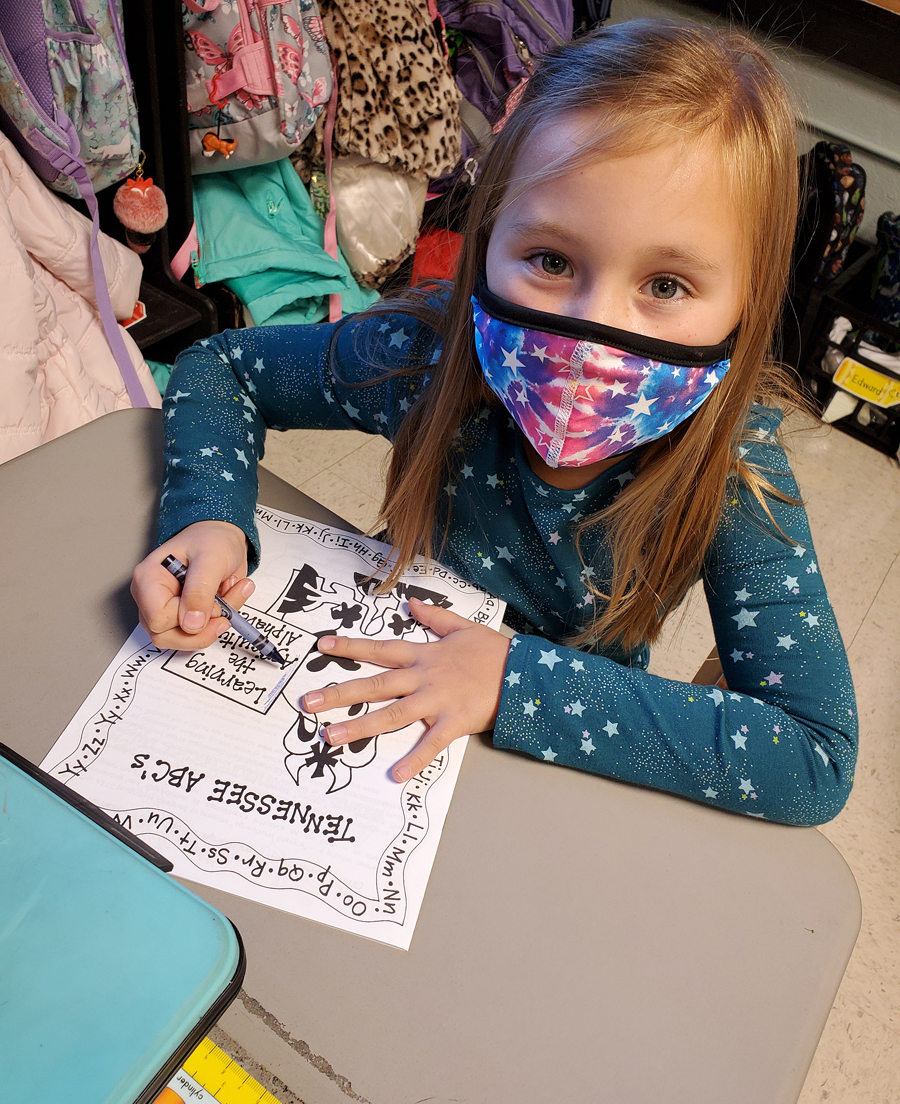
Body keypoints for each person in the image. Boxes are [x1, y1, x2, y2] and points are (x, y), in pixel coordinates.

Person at [132, 18, 857, 825]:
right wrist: (210, 514)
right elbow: (220, 369)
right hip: (378, 711)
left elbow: (815, 756)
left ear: (746, 302)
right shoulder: (427, 351)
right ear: (485, 242)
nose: (591, 330)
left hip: (555, 760)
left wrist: (508, 679)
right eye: (551, 261)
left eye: (667, 284)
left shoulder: (735, 466)